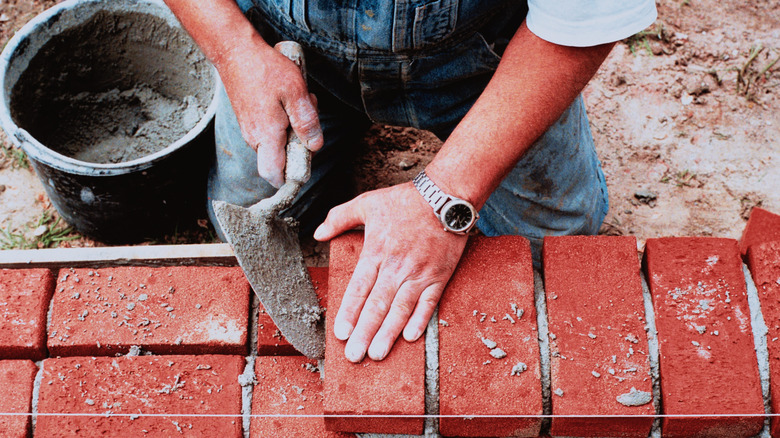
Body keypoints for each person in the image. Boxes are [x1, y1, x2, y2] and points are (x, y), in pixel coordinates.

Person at [164, 0, 657, 363]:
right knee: (250, 202)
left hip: (483, 54)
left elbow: (586, 22)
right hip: (284, 48)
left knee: (556, 240)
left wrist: (445, 197)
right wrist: (234, 50)